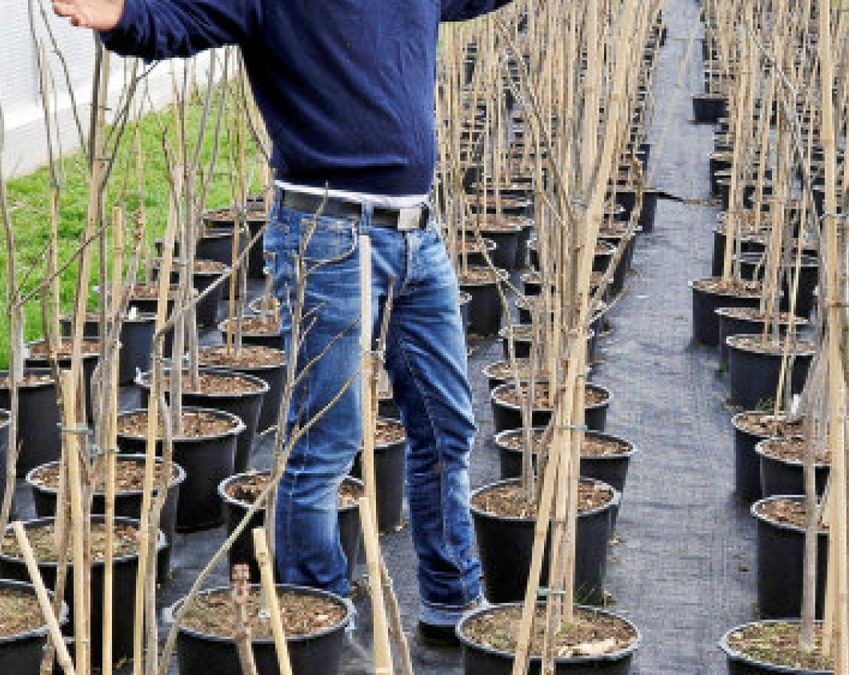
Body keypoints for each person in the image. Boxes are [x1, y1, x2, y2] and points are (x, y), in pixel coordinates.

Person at [52, 0, 517, 644]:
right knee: (325, 439)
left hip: (418, 233)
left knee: (447, 427)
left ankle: (452, 598)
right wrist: (123, 15)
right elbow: (181, 20)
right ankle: (315, 616)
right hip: (329, 232)